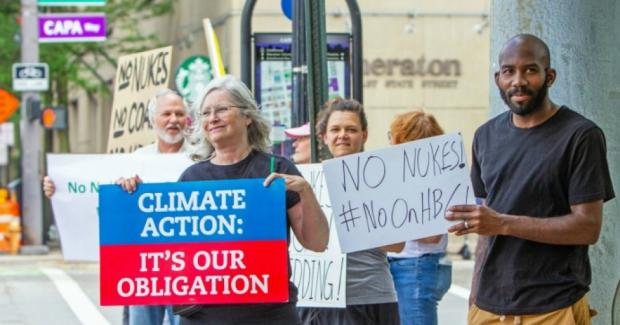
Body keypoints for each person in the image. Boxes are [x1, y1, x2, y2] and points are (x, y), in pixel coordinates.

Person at [118, 75, 329, 325]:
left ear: (247, 116)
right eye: (205, 113)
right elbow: (164, 251)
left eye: (221, 110)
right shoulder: (191, 178)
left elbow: (316, 242)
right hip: (203, 317)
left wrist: (306, 191)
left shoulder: (277, 169)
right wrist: (133, 198)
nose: (212, 118)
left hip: (269, 316)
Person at [445, 34, 615, 324]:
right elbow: (486, 225)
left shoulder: (580, 136)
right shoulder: (485, 136)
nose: (518, 81)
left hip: (553, 307)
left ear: (550, 76)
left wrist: (503, 223)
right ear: (498, 78)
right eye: (509, 71)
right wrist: (474, 295)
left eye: (530, 70)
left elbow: (587, 227)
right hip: (488, 308)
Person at [44, 88, 191, 325]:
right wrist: (59, 188)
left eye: (179, 114)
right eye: (166, 114)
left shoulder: (200, 159)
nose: (173, 120)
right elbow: (91, 191)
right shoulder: (135, 159)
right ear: (153, 119)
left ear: (187, 119)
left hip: (187, 264)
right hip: (144, 264)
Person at [299, 97, 401, 325]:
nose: (342, 135)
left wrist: (358, 204)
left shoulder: (381, 180)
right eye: (335, 129)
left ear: (363, 135)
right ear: (324, 137)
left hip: (370, 298)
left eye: (351, 129)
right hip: (318, 300)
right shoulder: (307, 182)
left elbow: (398, 245)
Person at [386, 110, 452, 325]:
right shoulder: (434, 176)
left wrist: (387, 226)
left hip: (415, 265)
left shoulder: (433, 180)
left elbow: (432, 235)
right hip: (412, 264)